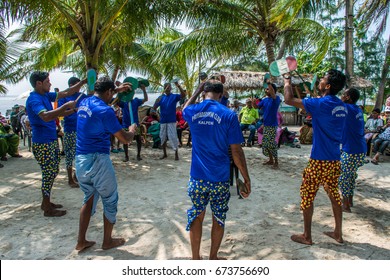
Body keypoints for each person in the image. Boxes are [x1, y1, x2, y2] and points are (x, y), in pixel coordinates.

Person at [183, 79, 251, 260]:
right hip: (220, 178)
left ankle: (196, 258)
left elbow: (183, 108)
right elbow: (236, 151)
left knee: (197, 215)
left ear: (204, 93)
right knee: (218, 217)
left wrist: (196, 91)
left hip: (197, 177)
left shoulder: (193, 111)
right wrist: (246, 178)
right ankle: (213, 257)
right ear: (221, 95)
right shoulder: (228, 115)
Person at [283, 69, 347, 245]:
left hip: (319, 159)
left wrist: (287, 80)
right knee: (334, 194)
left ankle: (307, 236)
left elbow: (288, 99)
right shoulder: (341, 105)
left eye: (323, 79)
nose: (319, 80)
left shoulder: (321, 103)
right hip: (335, 158)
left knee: (307, 195)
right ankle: (338, 233)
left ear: (327, 86)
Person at [75, 76, 137, 251]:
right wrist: (132, 130)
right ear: (109, 92)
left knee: (89, 198)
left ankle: (81, 241)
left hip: (81, 159)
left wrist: (118, 90)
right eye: (112, 93)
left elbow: (103, 96)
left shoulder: (85, 102)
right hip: (98, 160)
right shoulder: (105, 111)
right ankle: (107, 241)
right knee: (110, 199)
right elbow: (124, 139)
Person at [26, 71, 86, 217]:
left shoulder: (45, 95)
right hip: (42, 143)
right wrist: (64, 107)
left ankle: (46, 202)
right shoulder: (34, 99)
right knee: (48, 173)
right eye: (47, 81)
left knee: (53, 172)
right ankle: (47, 208)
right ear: (39, 83)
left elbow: (67, 92)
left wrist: (83, 82)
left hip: (50, 140)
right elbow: (46, 116)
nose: (50, 83)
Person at [338, 88, 367, 213]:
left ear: (348, 97)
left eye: (344, 94)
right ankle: (349, 200)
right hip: (360, 148)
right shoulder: (357, 110)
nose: (342, 96)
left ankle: (345, 205)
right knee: (350, 176)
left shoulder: (347, 109)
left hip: (351, 149)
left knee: (344, 177)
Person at [57, 77, 88, 188]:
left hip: (82, 130)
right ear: (71, 85)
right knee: (69, 155)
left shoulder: (83, 97)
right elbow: (61, 112)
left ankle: (76, 175)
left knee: (81, 154)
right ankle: (70, 179)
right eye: (77, 85)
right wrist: (72, 109)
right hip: (70, 129)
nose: (79, 88)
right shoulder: (65, 97)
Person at [153, 82, 186, 160]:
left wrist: (178, 85)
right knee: (162, 137)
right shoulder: (161, 97)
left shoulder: (174, 96)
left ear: (171, 88)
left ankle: (176, 154)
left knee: (173, 137)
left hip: (171, 120)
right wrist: (156, 101)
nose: (167, 88)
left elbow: (183, 95)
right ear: (164, 89)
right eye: (165, 87)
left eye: (169, 87)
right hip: (163, 120)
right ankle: (164, 154)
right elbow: (154, 108)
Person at [118, 83, 148, 161]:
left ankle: (138, 155)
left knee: (138, 139)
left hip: (135, 124)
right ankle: (126, 156)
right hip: (126, 124)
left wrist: (144, 90)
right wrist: (120, 91)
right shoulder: (123, 102)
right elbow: (116, 101)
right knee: (125, 140)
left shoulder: (136, 101)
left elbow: (145, 99)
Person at [257, 83, 281, 168]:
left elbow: (273, 94)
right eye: (266, 89)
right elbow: (257, 106)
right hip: (266, 125)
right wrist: (253, 102)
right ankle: (271, 160)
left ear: (272, 90)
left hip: (272, 125)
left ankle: (276, 162)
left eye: (268, 89)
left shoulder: (276, 99)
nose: (266, 90)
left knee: (271, 144)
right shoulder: (265, 100)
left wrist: (269, 83)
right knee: (265, 144)